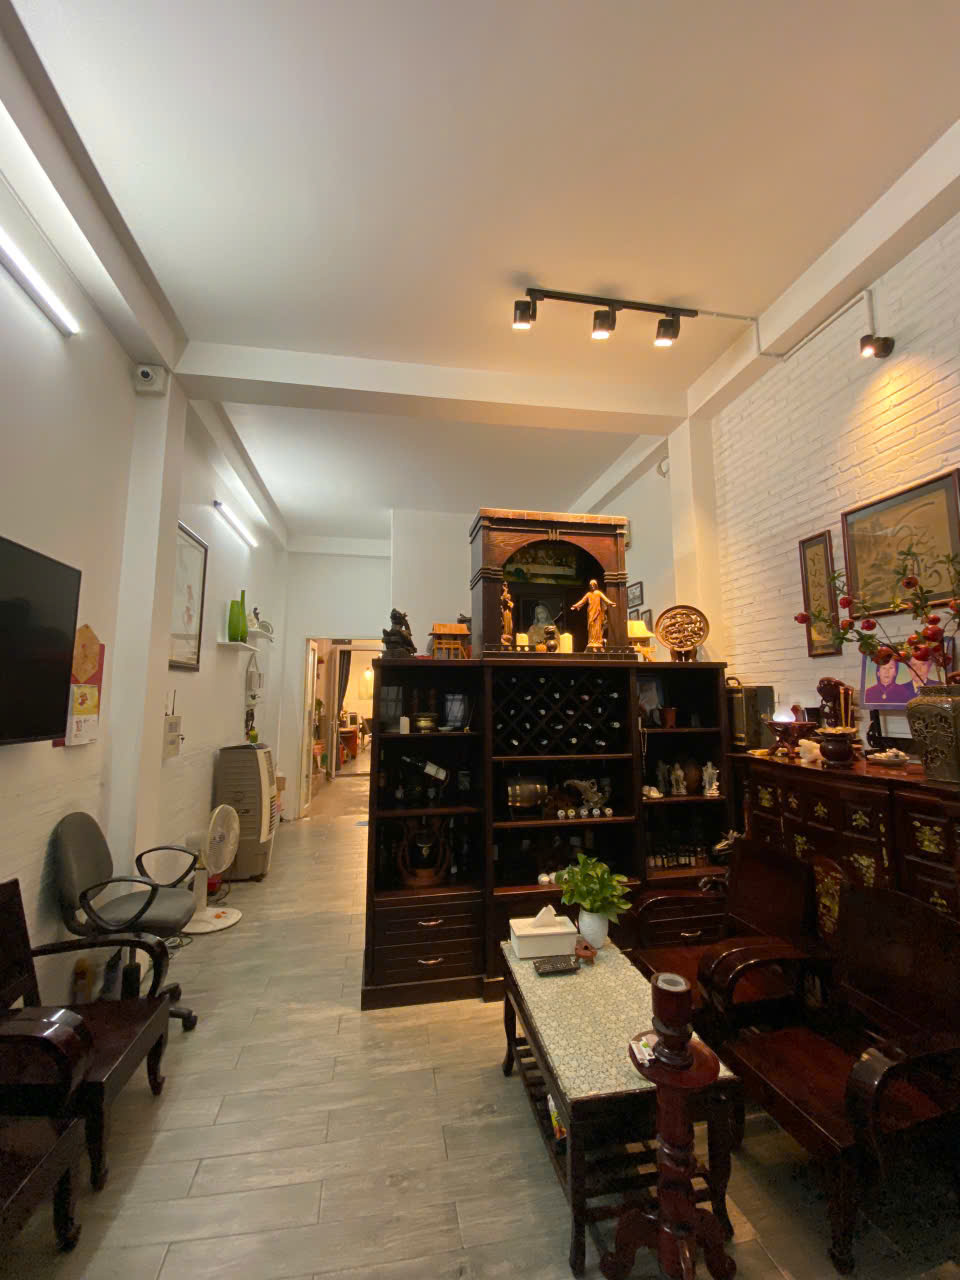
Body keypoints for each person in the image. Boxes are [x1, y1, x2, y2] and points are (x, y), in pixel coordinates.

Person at [571, 579, 616, 650]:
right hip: (591, 612)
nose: (592, 586)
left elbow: (605, 599)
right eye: (591, 585)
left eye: (593, 585)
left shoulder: (598, 593)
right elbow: (582, 601)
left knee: (597, 627)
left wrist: (611, 603)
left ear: (596, 585)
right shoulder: (588, 594)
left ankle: (598, 641)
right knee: (591, 627)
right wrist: (575, 606)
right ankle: (592, 641)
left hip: (597, 613)